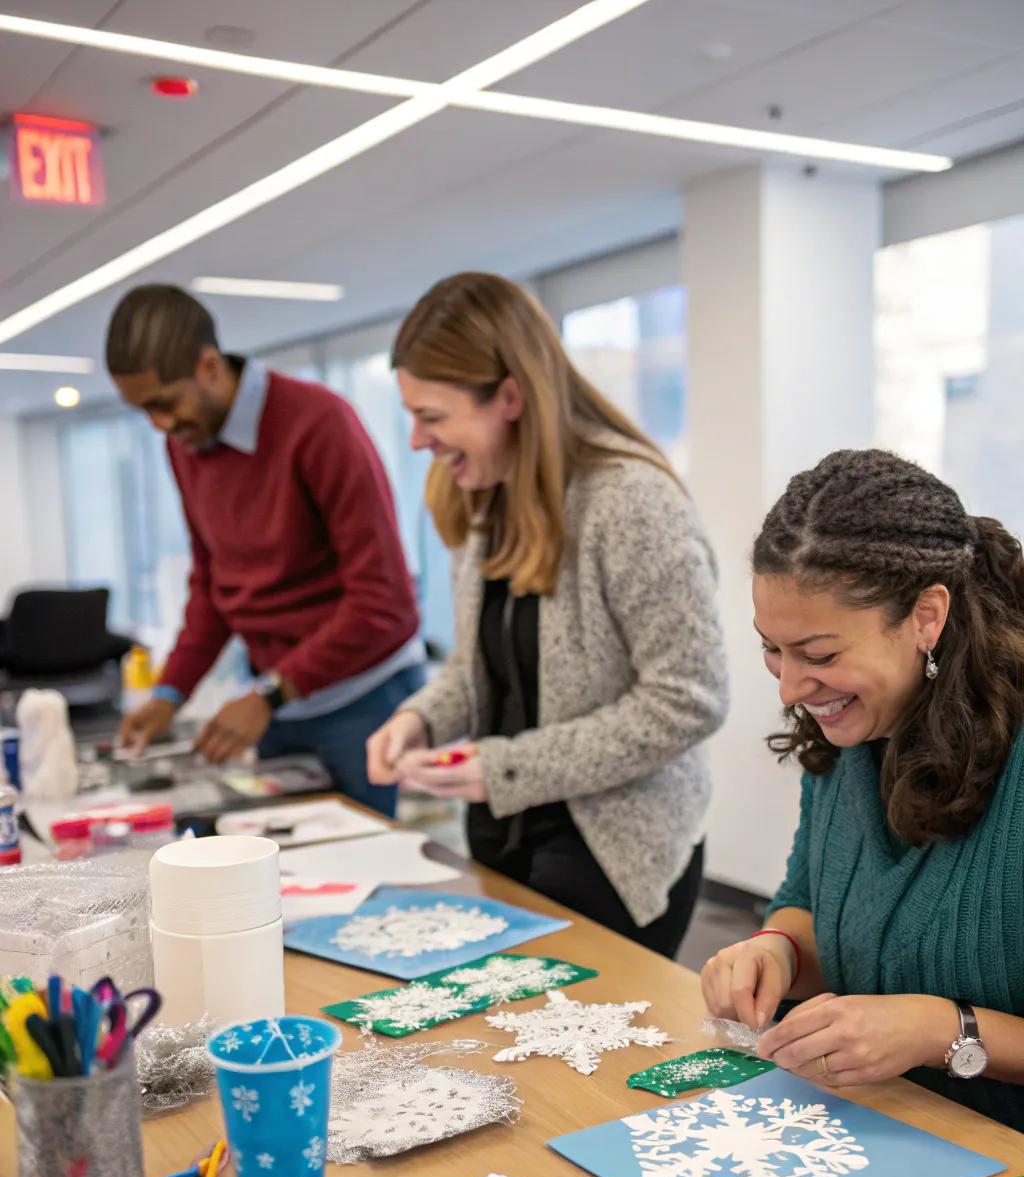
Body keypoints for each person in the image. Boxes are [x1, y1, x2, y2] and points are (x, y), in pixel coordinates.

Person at [366, 272, 728, 956]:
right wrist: (420, 718)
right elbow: (483, 670)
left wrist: (504, 767)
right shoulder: (484, 499)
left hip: (616, 855)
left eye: (433, 417)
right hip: (505, 837)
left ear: (509, 397)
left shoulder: (632, 503)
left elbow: (691, 700)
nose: (417, 440)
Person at [701, 448, 1024, 1130]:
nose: (789, 688)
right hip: (885, 1121)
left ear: (926, 617)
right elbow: (808, 905)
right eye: (772, 649)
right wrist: (776, 953)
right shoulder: (854, 728)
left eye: (819, 655)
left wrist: (945, 1029)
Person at [107, 284, 424, 815]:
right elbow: (214, 586)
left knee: (367, 879)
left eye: (163, 403)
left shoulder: (319, 423)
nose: (159, 425)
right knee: (282, 880)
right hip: (280, 705)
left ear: (209, 366)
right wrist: (169, 693)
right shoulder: (186, 445)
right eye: (144, 411)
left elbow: (385, 602)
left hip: (363, 702)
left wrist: (270, 694)